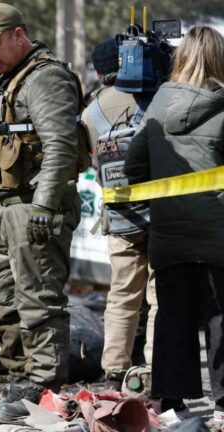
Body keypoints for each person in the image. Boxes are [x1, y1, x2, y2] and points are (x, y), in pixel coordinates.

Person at [0, 3, 83, 420]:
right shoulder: (4, 79)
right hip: (6, 205)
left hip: (36, 205)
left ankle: (44, 385)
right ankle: (22, 375)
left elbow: (61, 147)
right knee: (0, 297)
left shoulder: (45, 77)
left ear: (18, 35)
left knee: (39, 299)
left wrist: (45, 206)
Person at [125, 25, 224, 421]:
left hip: (168, 234)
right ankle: (223, 405)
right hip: (218, 235)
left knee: (172, 316)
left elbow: (133, 166)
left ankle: (171, 402)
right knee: (220, 318)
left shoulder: (158, 105)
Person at [81, 38, 157, 390]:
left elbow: (86, 163)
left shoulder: (89, 113)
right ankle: (157, 372)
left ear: (99, 73)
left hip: (120, 217)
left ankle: (113, 374)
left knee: (122, 296)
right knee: (160, 298)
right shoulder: (154, 98)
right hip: (160, 212)